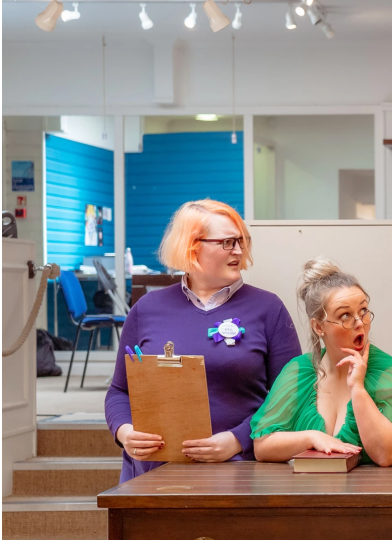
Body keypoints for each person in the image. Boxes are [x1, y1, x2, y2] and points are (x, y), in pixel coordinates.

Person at [105, 199, 302, 482]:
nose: (238, 250)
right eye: (227, 242)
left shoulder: (269, 309)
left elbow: (290, 397)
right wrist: (125, 432)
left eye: (241, 241)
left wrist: (238, 440)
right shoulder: (146, 309)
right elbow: (119, 391)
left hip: (240, 474)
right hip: (155, 474)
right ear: (192, 246)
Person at [251, 259, 392, 467]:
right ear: (319, 327)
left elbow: (386, 456)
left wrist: (358, 389)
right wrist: (311, 437)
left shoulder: (389, 372)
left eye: (363, 311)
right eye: (345, 315)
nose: (359, 323)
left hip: (375, 487)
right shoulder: (300, 370)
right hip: (311, 487)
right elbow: (262, 446)